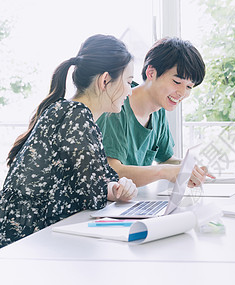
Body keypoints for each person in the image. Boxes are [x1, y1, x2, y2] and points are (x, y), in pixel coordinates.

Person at [0, 34, 138, 248]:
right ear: (104, 80)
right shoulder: (76, 116)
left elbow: (92, 185)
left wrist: (117, 188)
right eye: (128, 82)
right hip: (25, 245)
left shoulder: (68, 111)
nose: (130, 91)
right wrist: (113, 190)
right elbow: (92, 197)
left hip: (31, 240)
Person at [97, 37, 212, 187]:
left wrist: (190, 168)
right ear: (151, 73)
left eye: (189, 87)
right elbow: (113, 172)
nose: (182, 93)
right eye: (177, 82)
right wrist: (164, 171)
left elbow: (165, 159)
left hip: (132, 201)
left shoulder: (158, 111)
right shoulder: (116, 108)